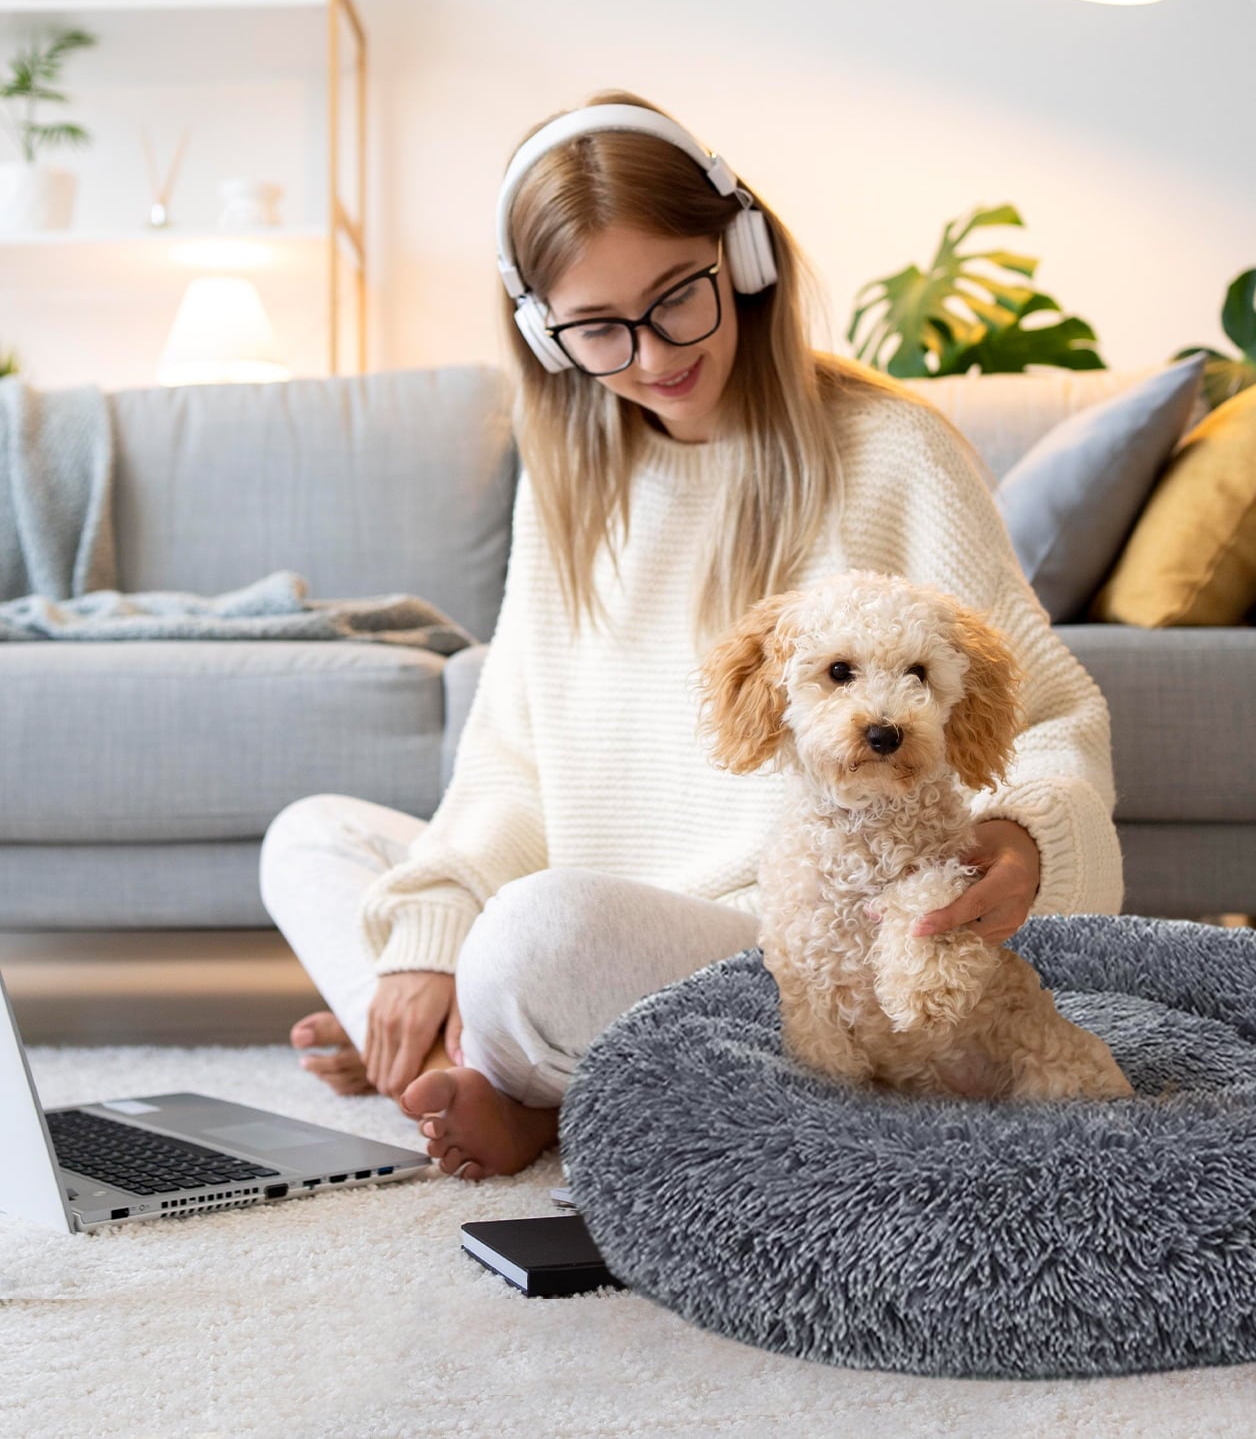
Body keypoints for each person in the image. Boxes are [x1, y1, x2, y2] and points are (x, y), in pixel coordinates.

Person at [257, 87, 1124, 1182]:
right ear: (544, 332)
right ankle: (500, 1060)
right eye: (597, 328)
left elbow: (1047, 720)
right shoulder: (567, 492)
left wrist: (1027, 837)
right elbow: (513, 765)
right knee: (312, 840)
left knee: (534, 941)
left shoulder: (896, 454)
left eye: (678, 299)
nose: (652, 355)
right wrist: (426, 944)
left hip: (791, 949)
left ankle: (507, 1074)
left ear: (747, 255)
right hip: (599, 930)